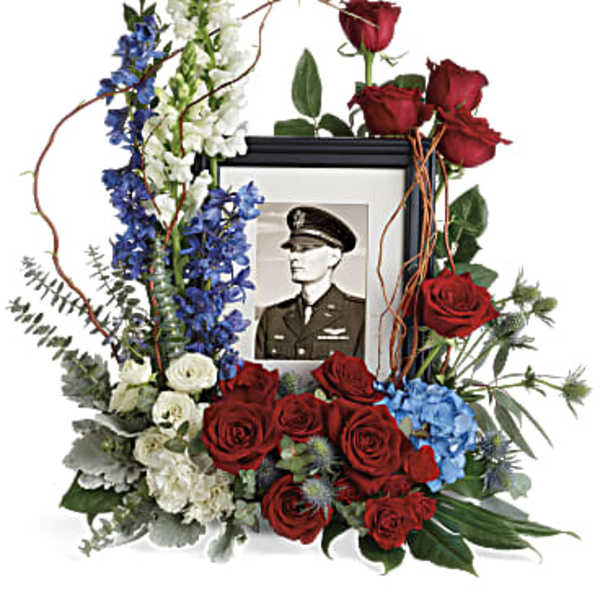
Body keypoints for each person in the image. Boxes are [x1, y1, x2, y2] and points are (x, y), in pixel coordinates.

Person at [255, 206, 365, 360]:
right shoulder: (273, 317)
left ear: (334, 257)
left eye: (305, 249)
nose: (293, 257)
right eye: (293, 249)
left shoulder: (360, 315)